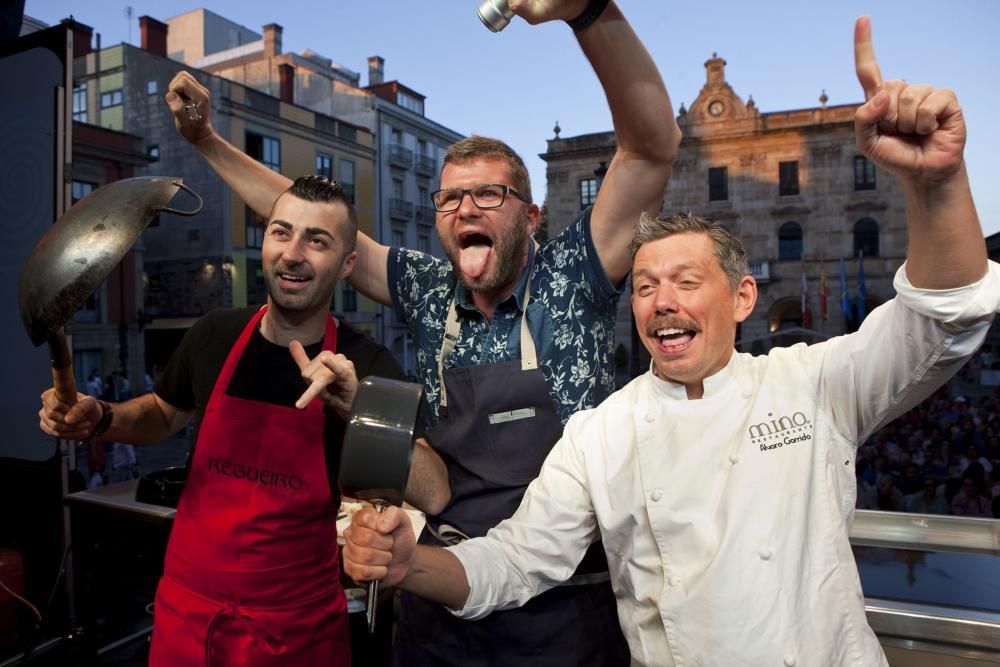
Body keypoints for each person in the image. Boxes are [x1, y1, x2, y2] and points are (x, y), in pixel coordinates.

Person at [342, 17, 999, 665]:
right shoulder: (604, 433)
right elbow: (513, 559)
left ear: (742, 298)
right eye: (646, 284)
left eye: (687, 280)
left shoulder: (815, 382)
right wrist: (410, 562)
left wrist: (938, 184)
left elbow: (944, 319)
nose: (663, 301)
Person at [165, 1, 679, 664]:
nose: (465, 207)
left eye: (488, 195)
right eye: (449, 198)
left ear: (530, 213)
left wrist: (587, 13)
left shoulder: (573, 274)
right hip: (439, 604)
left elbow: (651, 148)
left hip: (566, 611)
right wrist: (208, 141)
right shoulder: (428, 288)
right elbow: (310, 223)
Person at [38, 176, 448, 665]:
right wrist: (102, 416)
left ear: (347, 265)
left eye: (317, 241)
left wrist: (361, 406)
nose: (292, 254)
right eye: (280, 232)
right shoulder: (216, 332)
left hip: (296, 632)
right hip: (186, 617)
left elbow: (435, 490)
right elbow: (163, 414)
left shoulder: (368, 363)